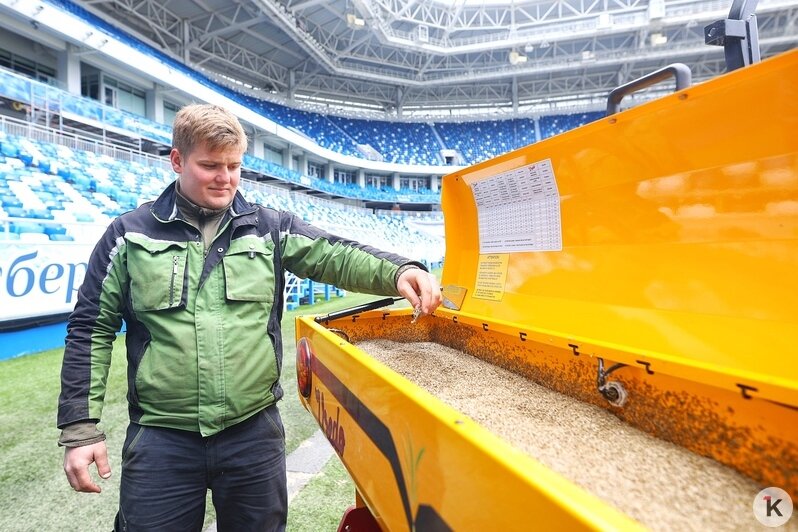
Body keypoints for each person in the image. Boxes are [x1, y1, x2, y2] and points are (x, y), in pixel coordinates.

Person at [57, 103, 442, 531]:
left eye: (234, 166)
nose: (225, 178)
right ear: (177, 160)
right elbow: (90, 330)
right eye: (210, 165)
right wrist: (80, 427)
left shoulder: (269, 227)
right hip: (161, 438)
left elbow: (336, 254)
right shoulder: (129, 234)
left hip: (252, 435)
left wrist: (399, 270)